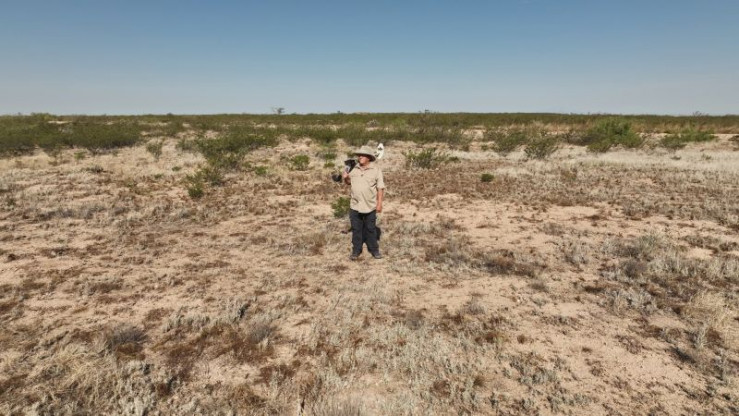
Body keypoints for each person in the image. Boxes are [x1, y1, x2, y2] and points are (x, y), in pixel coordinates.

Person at [341, 145, 385, 260]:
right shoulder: (353, 168)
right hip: (355, 205)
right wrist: (346, 178)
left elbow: (380, 188)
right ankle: (356, 251)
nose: (360, 157)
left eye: (362, 155)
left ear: (369, 157)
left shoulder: (376, 170)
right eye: (359, 155)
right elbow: (349, 182)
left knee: (371, 229)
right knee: (356, 229)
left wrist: (379, 204)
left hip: (370, 205)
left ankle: (374, 250)